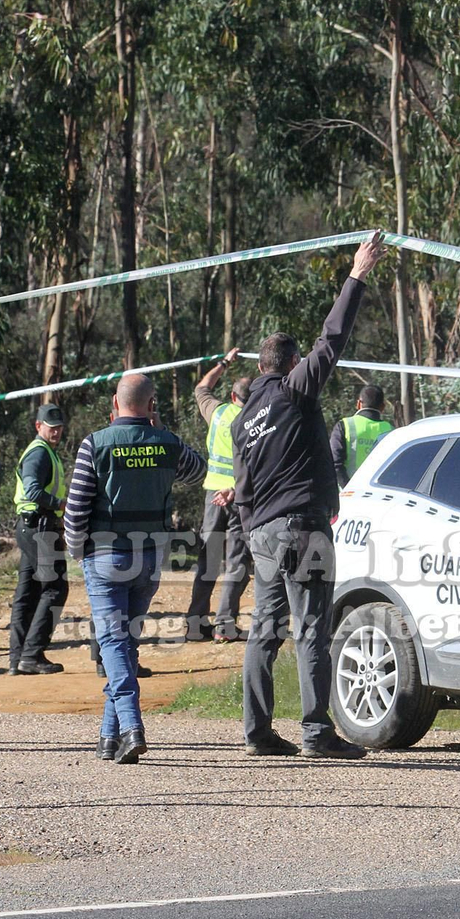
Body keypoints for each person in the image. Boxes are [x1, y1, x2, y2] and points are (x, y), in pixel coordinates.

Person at [225, 230, 386, 760]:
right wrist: (357, 275)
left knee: (263, 632)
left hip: (265, 535)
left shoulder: (244, 418)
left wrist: (252, 535)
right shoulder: (297, 391)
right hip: (303, 528)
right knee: (313, 626)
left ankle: (257, 734)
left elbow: (242, 488)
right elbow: (332, 339)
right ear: (291, 364)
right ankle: (317, 734)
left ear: (258, 367)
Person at [64, 373, 205, 763]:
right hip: (149, 559)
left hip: (106, 557)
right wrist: (163, 430)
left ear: (114, 402)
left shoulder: (96, 443)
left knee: (112, 643)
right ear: (152, 405)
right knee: (125, 645)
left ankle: (131, 727)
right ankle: (109, 737)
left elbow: (76, 509)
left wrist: (77, 551)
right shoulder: (167, 443)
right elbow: (198, 471)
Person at [183, 348, 252, 643]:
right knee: (236, 562)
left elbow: (202, 388)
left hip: (213, 495)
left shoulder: (219, 412)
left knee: (208, 561)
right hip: (239, 497)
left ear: (233, 396)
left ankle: (196, 626)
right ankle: (225, 625)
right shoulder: (256, 421)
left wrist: (223, 363)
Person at [8, 403, 69, 675]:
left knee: (28, 592)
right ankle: (31, 655)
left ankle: (18, 658)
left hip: (31, 527)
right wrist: (61, 504)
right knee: (55, 588)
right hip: (40, 528)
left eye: (58, 427)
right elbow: (33, 490)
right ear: (38, 426)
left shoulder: (45, 452)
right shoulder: (40, 454)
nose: (55, 431)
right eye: (50, 427)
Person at [330, 384, 395, 487]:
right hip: (380, 497)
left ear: (359, 404)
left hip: (348, 496)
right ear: (383, 407)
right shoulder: (392, 431)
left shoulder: (345, 426)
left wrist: (347, 490)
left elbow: (334, 463)